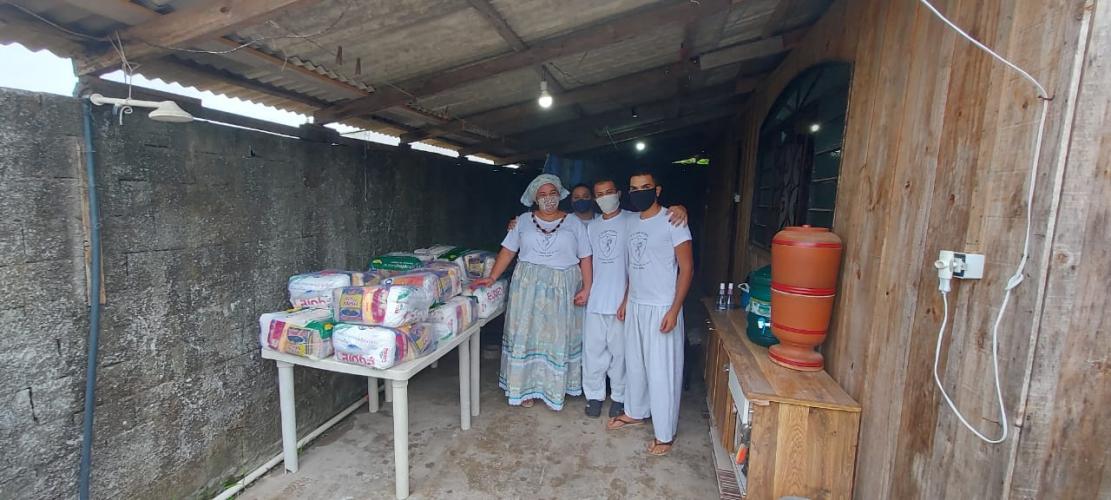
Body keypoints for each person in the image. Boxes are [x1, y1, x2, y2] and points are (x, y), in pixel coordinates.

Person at [471, 174, 592, 411]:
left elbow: (586, 257)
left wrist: (587, 288)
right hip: (528, 286)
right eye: (542, 194)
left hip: (562, 286)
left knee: (557, 337)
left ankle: (554, 388)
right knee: (526, 335)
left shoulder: (574, 222)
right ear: (534, 198)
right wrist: (493, 276)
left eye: (552, 193)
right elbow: (507, 251)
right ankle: (524, 388)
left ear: (560, 194)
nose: (548, 198)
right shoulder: (523, 221)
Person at [581, 179, 689, 419]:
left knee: (622, 355)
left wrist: (681, 208)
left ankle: (619, 398)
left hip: (626, 301)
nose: (605, 197)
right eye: (600, 194)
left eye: (610, 192)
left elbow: (662, 217)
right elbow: (582, 254)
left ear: (620, 194)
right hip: (598, 298)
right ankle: (594, 396)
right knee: (593, 352)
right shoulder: (591, 226)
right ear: (595, 199)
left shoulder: (633, 219)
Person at [606, 171, 693, 457]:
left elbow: (687, 269)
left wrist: (675, 308)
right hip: (637, 304)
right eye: (633, 188)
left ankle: (665, 434)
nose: (639, 192)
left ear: (657, 190)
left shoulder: (673, 220)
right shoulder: (631, 221)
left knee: (662, 371)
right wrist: (626, 299)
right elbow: (632, 266)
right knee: (636, 364)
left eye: (645, 187)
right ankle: (635, 411)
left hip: (662, 306)